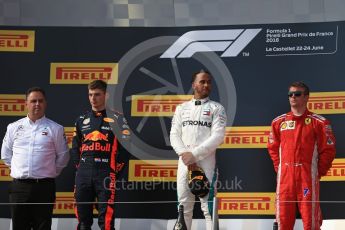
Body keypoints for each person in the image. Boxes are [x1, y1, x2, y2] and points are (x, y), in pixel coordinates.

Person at [267, 81, 336, 230]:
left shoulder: (320, 123)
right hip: (285, 179)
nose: (293, 97)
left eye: (297, 94)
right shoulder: (278, 122)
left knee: (311, 221)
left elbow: (328, 151)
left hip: (307, 178)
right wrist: (280, 169)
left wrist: (316, 172)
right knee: (283, 221)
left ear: (306, 97)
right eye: (290, 94)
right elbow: (272, 148)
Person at [1, 87, 69, 230]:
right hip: (19, 187)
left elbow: (63, 157)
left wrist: (49, 173)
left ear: (45, 103)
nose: (37, 104)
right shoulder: (13, 127)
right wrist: (18, 170)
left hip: (44, 187)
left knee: (43, 227)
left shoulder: (55, 128)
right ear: (26, 103)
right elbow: (5, 154)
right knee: (19, 227)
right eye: (33, 101)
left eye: (40, 101)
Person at [170, 70, 227, 230]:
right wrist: (185, 155)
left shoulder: (217, 108)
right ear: (193, 84)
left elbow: (218, 136)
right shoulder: (181, 108)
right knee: (183, 207)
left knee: (208, 209)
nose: (206, 85)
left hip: (206, 162)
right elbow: (174, 135)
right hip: (184, 162)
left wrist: (194, 155)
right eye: (202, 82)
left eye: (209, 82)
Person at [71, 80, 130, 230]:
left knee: (107, 222)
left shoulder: (118, 119)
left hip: (105, 173)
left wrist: (113, 172)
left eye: (97, 95)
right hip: (83, 173)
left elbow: (125, 149)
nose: (93, 98)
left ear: (106, 95)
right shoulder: (81, 120)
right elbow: (75, 147)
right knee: (83, 221)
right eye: (90, 95)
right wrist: (80, 167)